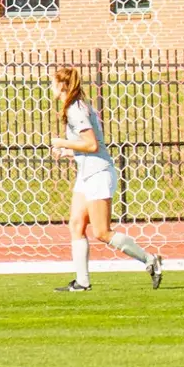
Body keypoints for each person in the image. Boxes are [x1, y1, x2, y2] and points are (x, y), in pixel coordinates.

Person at [50, 65, 164, 292]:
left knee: (101, 232)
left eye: (53, 82)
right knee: (76, 224)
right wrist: (69, 151)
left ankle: (150, 260)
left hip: (98, 174)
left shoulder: (76, 109)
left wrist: (63, 143)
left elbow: (92, 145)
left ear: (62, 85)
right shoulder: (76, 106)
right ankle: (82, 282)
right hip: (87, 174)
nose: (50, 86)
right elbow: (93, 145)